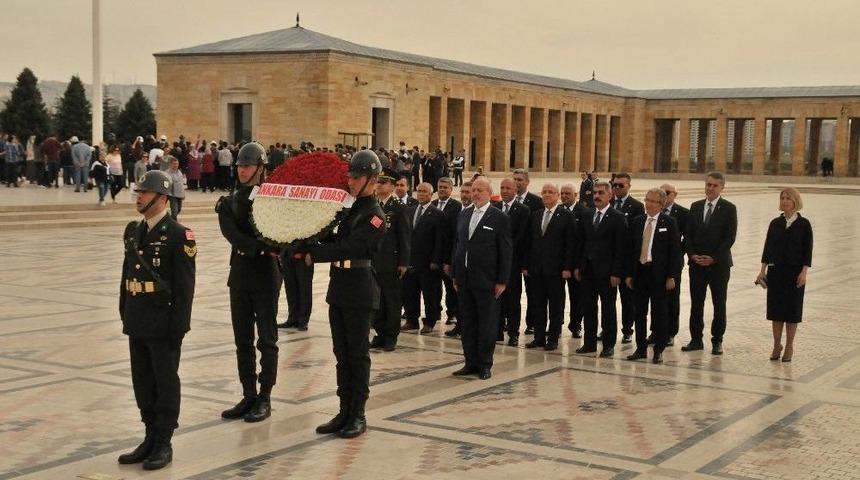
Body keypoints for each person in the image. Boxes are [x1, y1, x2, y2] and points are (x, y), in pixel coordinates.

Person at [303, 149, 387, 439]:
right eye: (350, 175)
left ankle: (358, 414)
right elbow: (333, 237)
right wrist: (305, 235)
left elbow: (350, 248)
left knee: (357, 354)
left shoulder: (375, 216)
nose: (350, 181)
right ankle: (343, 409)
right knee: (341, 353)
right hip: (339, 286)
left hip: (359, 288)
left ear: (372, 180)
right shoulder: (349, 209)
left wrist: (315, 253)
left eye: (357, 176)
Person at [117, 170, 196, 470]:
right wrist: (124, 311)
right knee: (142, 380)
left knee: (164, 381)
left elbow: (185, 286)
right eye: (138, 192)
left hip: (164, 323)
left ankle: (164, 441)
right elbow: (126, 277)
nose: (139, 197)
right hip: (137, 318)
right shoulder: (133, 231)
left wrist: (179, 326)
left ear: (162, 198)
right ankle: (149, 435)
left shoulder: (179, 235)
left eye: (145, 193)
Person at [216, 142, 282, 423]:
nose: (242, 171)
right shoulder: (230, 201)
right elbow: (232, 234)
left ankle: (265, 396)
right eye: (240, 166)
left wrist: (264, 247)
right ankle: (248, 393)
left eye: (248, 166)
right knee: (242, 338)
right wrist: (260, 246)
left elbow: (278, 233)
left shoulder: (272, 199)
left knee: (266, 339)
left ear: (260, 168)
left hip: (266, 274)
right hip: (241, 274)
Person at [451, 178, 512, 379]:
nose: (475, 193)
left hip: (487, 281)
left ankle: (485, 364)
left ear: (488, 192)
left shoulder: (499, 217)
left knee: (486, 324)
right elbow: (458, 246)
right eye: (472, 190)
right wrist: (455, 274)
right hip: (464, 279)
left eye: (479, 190)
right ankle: (470, 362)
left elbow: (505, 251)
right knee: (467, 323)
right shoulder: (464, 214)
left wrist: (502, 280)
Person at [683, 172, 737, 356]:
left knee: (719, 303)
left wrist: (714, 257)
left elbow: (729, 238)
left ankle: (717, 340)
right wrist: (692, 255)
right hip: (697, 264)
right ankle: (696, 339)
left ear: (722, 187)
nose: (710, 188)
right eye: (708, 185)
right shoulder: (695, 206)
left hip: (718, 265)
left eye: (714, 185)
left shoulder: (729, 208)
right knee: (696, 303)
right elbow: (688, 234)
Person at [625, 188, 682, 364]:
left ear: (661, 204)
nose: (648, 204)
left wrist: (672, 276)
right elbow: (631, 250)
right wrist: (628, 274)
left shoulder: (669, 222)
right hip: (640, 273)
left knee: (660, 314)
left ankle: (658, 349)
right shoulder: (638, 221)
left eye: (653, 201)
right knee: (639, 313)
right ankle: (640, 348)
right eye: (647, 200)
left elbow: (675, 252)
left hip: (659, 275)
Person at [756, 188, 812, 363]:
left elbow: (807, 251)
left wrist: (804, 272)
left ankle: (789, 345)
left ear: (795, 201)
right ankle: (776, 344)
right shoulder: (775, 223)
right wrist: (762, 270)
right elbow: (768, 248)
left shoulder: (804, 224)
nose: (785, 201)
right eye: (782, 198)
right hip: (776, 272)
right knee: (776, 311)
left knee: (792, 311)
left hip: (794, 274)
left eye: (788, 198)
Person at [575, 181, 628, 358]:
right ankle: (589, 343)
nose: (596, 196)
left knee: (608, 310)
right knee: (588, 308)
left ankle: (608, 344)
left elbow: (621, 248)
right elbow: (581, 242)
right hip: (587, 270)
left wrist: (617, 273)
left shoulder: (617, 217)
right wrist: (578, 266)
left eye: (601, 193)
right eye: (595, 193)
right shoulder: (587, 214)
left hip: (607, 273)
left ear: (609, 195)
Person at [522, 183, 575, 351]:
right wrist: (526, 265)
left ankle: (552, 337)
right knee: (537, 303)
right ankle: (538, 336)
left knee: (555, 305)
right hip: (536, 269)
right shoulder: (536, 215)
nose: (546, 195)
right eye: (544, 192)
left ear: (557, 195)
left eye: (550, 192)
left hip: (556, 270)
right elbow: (529, 242)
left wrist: (567, 267)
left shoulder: (566, 216)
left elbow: (570, 244)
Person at [370, 168, 411, 351]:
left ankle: (390, 336)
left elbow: (404, 236)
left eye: (383, 182)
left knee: (392, 300)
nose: (379, 185)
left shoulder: (399, 208)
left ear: (393, 186)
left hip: (391, 261)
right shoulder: (373, 205)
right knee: (377, 300)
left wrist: (403, 262)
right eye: (378, 181)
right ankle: (379, 333)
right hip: (374, 261)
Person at [403, 183, 446, 333]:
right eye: (419, 191)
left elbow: (440, 240)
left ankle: (429, 321)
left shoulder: (437, 214)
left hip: (428, 262)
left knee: (429, 294)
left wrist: (436, 260)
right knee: (410, 293)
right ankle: (411, 320)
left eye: (424, 192)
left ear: (431, 194)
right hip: (410, 261)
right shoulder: (409, 211)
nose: (421, 194)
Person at [611, 173, 645, 344]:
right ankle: (607, 328)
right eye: (614, 185)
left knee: (627, 299)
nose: (616, 188)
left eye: (620, 185)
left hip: (626, 261)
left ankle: (627, 330)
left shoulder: (637, 206)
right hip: (608, 260)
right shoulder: (607, 202)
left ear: (628, 186)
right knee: (607, 299)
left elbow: (636, 235)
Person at [656, 183, 689, 346]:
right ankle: (655, 331)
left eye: (667, 192)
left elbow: (687, 239)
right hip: (654, 262)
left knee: (672, 297)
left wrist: (676, 254)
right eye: (661, 192)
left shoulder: (683, 213)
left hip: (673, 263)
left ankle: (670, 331)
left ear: (675, 194)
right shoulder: (652, 210)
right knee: (655, 297)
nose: (664, 195)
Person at [432, 177, 462, 326]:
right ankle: (435, 310)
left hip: (447, 253)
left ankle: (452, 313)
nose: (442, 189)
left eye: (445, 187)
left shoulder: (456, 207)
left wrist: (448, 260)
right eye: (440, 187)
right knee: (434, 286)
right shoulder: (432, 204)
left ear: (451, 189)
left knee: (450, 287)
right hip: (433, 254)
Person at [560, 183, 587, 338]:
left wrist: (578, 266)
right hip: (559, 263)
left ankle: (576, 325)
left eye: (567, 193)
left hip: (575, 263)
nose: (564, 196)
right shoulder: (558, 211)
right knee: (558, 296)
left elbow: (583, 241)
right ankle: (557, 323)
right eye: (562, 193)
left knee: (576, 296)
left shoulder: (583, 212)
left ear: (575, 195)